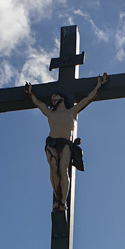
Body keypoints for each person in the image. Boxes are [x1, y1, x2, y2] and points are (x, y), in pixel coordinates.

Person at [25, 73, 108, 211]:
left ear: (62, 98)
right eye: (51, 99)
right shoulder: (50, 114)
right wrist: (30, 93)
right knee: (53, 167)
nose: (52, 100)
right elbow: (39, 104)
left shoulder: (72, 111)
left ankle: (63, 201)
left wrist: (99, 85)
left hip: (66, 143)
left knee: (63, 170)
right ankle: (57, 199)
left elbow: (87, 99)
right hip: (52, 142)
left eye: (55, 97)